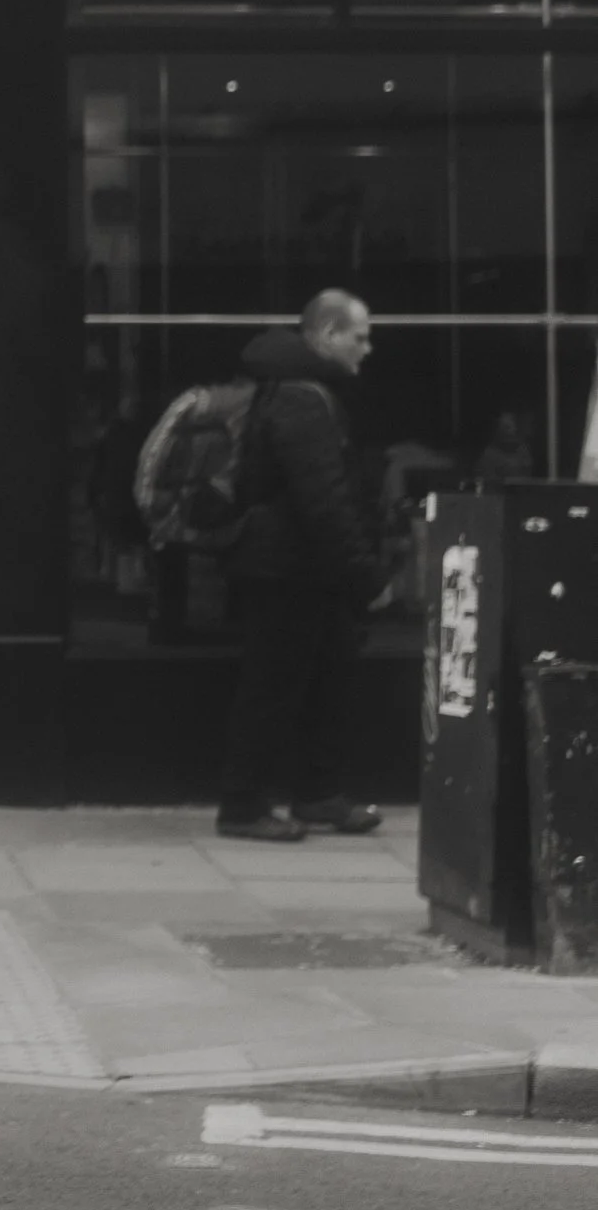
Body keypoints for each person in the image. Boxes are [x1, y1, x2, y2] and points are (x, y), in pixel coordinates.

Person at [218, 290, 389, 843]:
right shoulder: (302, 399)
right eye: (358, 336)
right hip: (286, 570)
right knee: (271, 689)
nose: (368, 348)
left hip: (309, 570)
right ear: (326, 336)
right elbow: (324, 500)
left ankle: (318, 795)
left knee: (327, 679)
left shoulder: (304, 392)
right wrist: (367, 578)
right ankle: (243, 808)